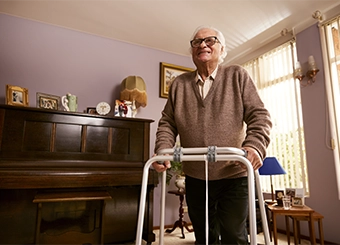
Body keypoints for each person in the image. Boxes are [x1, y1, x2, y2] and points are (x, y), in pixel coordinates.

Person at [152, 26, 272, 245]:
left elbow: (259, 116)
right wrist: (163, 149)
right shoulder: (179, 84)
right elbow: (167, 123)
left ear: (222, 48)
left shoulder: (237, 75)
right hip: (197, 176)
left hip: (233, 174)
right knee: (205, 237)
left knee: (234, 236)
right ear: (192, 51)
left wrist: (254, 146)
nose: (202, 45)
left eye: (210, 40)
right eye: (196, 42)